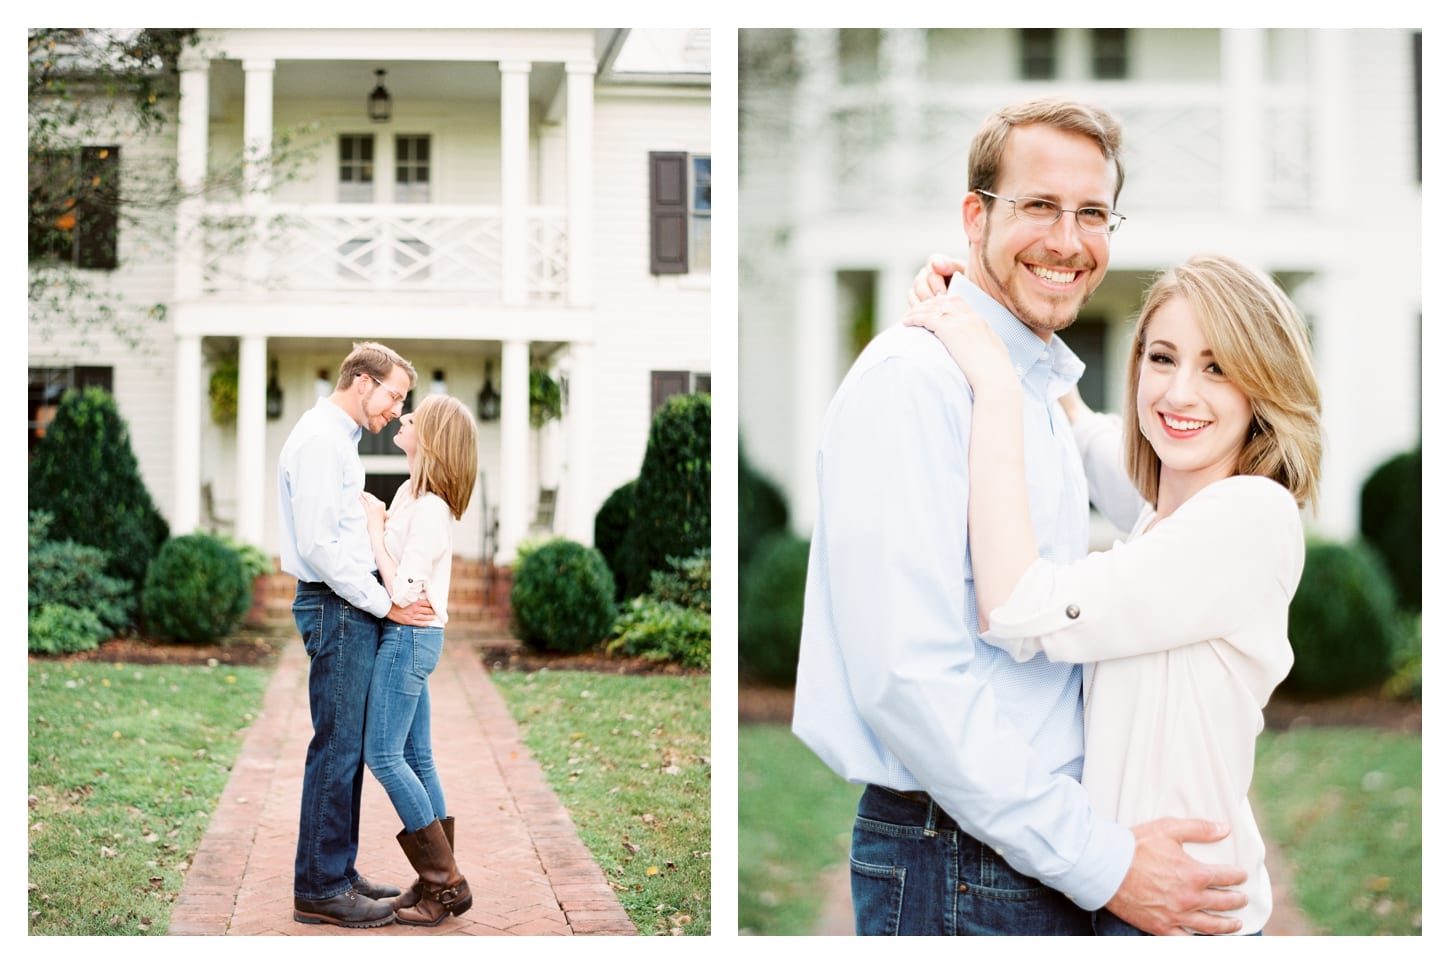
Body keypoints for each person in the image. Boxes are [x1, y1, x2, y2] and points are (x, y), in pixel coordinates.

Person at [791, 97, 1248, 936]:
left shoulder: (1029, 393)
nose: (1068, 242)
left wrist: (1025, 371)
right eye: (1039, 206)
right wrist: (1100, 860)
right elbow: (909, 678)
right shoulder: (915, 383)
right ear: (976, 215)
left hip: (1024, 849)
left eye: (1092, 214)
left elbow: (1157, 496)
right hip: (959, 859)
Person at [905, 253, 1322, 935]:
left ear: (1265, 386)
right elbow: (1091, 437)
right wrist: (1004, 311)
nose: (1180, 392)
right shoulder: (1169, 513)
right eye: (1162, 358)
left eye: (1217, 367)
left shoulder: (1251, 517)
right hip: (1129, 898)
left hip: (1183, 913)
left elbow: (1016, 606)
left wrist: (994, 379)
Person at [278, 341, 435, 928]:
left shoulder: (336, 439)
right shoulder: (322, 440)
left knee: (346, 745)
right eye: (394, 395)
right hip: (338, 605)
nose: (396, 410)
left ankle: (337, 871)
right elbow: (321, 546)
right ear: (363, 381)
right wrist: (384, 604)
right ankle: (319, 888)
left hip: (346, 604)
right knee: (338, 746)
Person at [359, 393, 478, 926]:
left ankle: (444, 883)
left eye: (414, 417)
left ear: (429, 438)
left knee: (384, 756)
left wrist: (374, 533)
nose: (402, 419)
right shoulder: (410, 492)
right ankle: (440, 881)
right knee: (418, 757)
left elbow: (405, 589)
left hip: (410, 638)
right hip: (409, 637)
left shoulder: (430, 508)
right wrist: (383, 524)